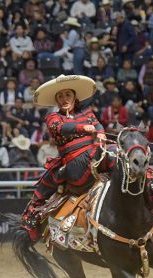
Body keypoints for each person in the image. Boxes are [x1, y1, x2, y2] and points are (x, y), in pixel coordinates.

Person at [19, 75, 109, 240]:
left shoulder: (88, 113)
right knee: (42, 189)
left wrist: (101, 133)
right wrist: (83, 128)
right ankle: (31, 222)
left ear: (75, 97)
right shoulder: (53, 118)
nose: (64, 98)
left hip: (95, 155)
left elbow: (98, 125)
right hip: (74, 162)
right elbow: (62, 128)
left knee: (121, 155)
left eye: (67, 94)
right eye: (60, 96)